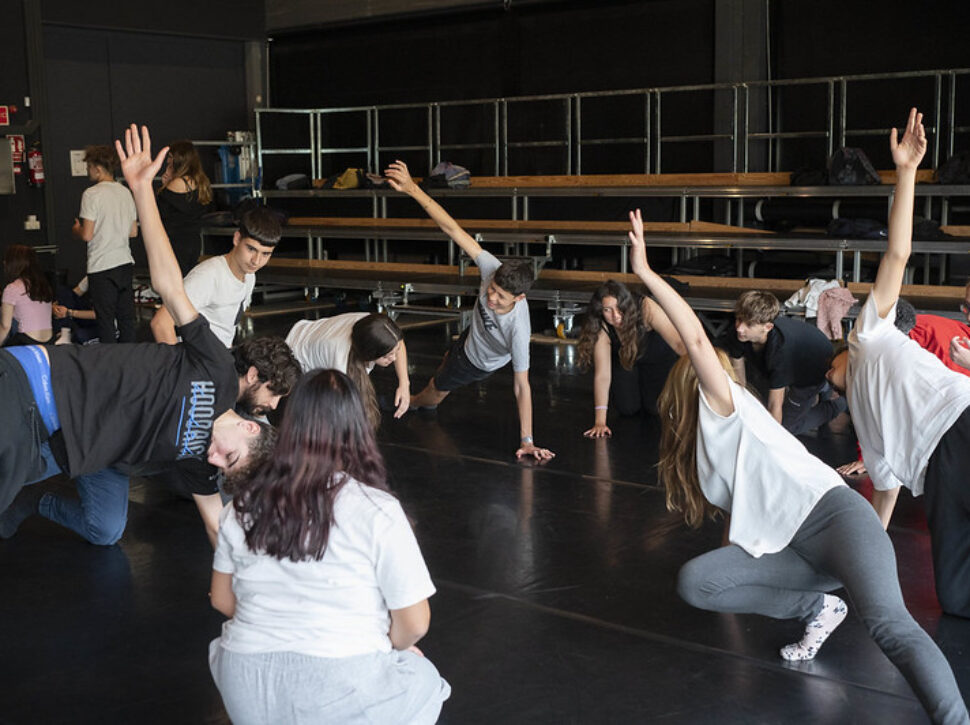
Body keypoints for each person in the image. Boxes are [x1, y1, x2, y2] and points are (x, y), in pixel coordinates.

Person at [626, 203, 968, 724]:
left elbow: (692, 339)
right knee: (697, 582)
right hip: (795, 553)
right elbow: (743, 520)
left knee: (890, 628)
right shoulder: (704, 447)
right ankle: (817, 608)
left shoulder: (728, 404)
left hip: (835, 523)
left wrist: (649, 275)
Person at [0, 125, 301, 548]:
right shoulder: (214, 366)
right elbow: (170, 287)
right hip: (43, 386)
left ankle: (34, 494)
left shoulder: (202, 460)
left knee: (104, 530)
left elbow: (216, 524)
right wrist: (142, 190)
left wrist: (246, 593)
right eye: (228, 457)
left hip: (77, 440)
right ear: (249, 431)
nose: (215, 460)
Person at [209, 368, 450, 724]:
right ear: (356, 429)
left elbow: (222, 599)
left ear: (288, 426)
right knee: (425, 678)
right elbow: (414, 624)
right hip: (339, 683)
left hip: (245, 680)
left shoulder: (241, 506)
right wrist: (385, 646)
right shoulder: (376, 509)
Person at [825, 109, 970, 620]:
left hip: (959, 421)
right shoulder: (868, 430)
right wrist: (854, 565)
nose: (829, 373)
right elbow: (881, 506)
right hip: (937, 477)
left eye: (830, 364)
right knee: (954, 599)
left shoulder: (868, 334)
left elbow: (897, 254)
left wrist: (905, 173)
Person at [384, 160, 553, 461]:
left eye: (501, 297)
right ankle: (439, 378)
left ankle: (415, 402)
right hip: (471, 336)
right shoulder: (492, 268)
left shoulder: (518, 329)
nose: (491, 297)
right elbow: (451, 227)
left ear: (519, 298)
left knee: (438, 385)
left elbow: (522, 387)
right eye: (492, 289)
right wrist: (412, 189)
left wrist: (527, 440)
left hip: (476, 360)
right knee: (451, 355)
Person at [151, 205, 280, 348]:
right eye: (251, 249)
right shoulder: (208, 276)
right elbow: (161, 323)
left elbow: (225, 330)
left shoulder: (250, 276)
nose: (256, 261)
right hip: (195, 363)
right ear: (237, 239)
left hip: (217, 361)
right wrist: (177, 368)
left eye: (265, 254)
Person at [725, 290, 845, 434]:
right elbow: (739, 382)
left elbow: (775, 405)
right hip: (798, 351)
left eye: (749, 325)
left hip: (814, 364)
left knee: (786, 428)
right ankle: (823, 390)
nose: (740, 328)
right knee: (761, 404)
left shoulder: (780, 352)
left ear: (767, 327)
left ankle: (838, 404)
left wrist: (771, 443)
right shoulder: (739, 333)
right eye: (738, 319)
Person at [576, 279, 684, 437]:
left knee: (656, 409)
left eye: (619, 308)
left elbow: (679, 344)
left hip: (657, 356)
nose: (615, 316)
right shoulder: (602, 325)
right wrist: (600, 422)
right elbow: (602, 375)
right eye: (607, 310)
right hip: (627, 360)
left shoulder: (645, 307)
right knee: (628, 409)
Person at [286, 312, 410, 425]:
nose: (394, 358)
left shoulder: (376, 325)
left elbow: (397, 342)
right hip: (296, 353)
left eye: (396, 351)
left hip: (312, 332)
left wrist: (404, 384)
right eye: (387, 356)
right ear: (369, 354)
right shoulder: (342, 363)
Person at [72, 144, 138, 344]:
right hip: (124, 263)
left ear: (98, 168)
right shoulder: (126, 192)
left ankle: (111, 368)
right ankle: (132, 365)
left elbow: (87, 235)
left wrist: (76, 229)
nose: (88, 171)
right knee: (127, 319)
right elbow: (133, 232)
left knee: (106, 320)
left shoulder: (91, 194)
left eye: (89, 167)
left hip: (101, 266)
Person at [157, 140, 214, 276]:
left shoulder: (175, 184)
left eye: (170, 157)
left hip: (175, 243)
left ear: (178, 159)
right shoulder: (202, 182)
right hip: (193, 241)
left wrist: (164, 186)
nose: (167, 161)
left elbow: (158, 212)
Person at [1, 244, 53, 345]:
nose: (4, 263)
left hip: (26, 342)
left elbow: (5, 326)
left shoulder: (12, 288)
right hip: (49, 341)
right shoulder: (43, 286)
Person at [52, 276, 99, 345]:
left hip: (104, 322)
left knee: (80, 335)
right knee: (64, 291)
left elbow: (102, 314)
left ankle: (64, 333)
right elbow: (73, 294)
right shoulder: (93, 274)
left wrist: (70, 312)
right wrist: (55, 306)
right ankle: (63, 333)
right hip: (87, 317)